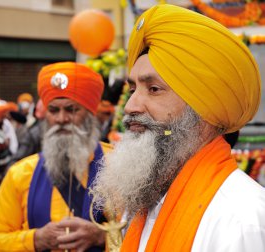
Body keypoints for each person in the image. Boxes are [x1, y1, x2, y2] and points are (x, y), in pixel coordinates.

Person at [91, 4, 265, 252]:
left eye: (153, 89)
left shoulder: (241, 219)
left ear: (203, 109)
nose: (131, 106)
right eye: (132, 90)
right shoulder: (142, 205)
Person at [0, 62, 112, 251]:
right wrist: (34, 239)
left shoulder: (118, 165)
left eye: (71, 110)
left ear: (90, 114)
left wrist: (102, 236)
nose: (61, 119)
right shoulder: (21, 173)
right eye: (54, 110)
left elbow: (149, 235)